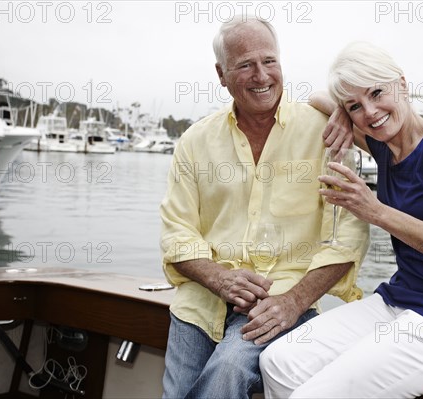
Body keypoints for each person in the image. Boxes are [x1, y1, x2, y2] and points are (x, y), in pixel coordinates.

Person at [260, 41, 423, 398]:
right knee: (278, 362)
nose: (371, 112)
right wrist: (342, 113)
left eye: (377, 93)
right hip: (401, 301)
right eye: (357, 105)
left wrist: (374, 211)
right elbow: (316, 97)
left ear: (402, 84)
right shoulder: (383, 142)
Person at [159, 17, 370, 399]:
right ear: (221, 74)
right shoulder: (194, 141)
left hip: (285, 302)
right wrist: (220, 278)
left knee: (226, 372)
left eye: (269, 61)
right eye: (245, 65)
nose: (262, 75)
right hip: (201, 302)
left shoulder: (326, 134)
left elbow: (346, 238)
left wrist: (293, 301)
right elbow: (177, 232)